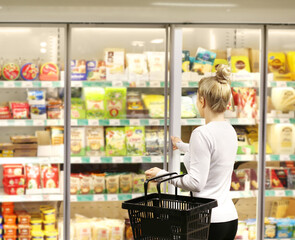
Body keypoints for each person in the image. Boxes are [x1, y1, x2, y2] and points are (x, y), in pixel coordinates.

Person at [145, 64, 238, 240]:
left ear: (202, 101)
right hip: (229, 220)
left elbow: (196, 183)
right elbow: (211, 155)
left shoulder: (202, 132)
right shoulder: (229, 130)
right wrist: (181, 145)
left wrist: (162, 174)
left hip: (208, 221)